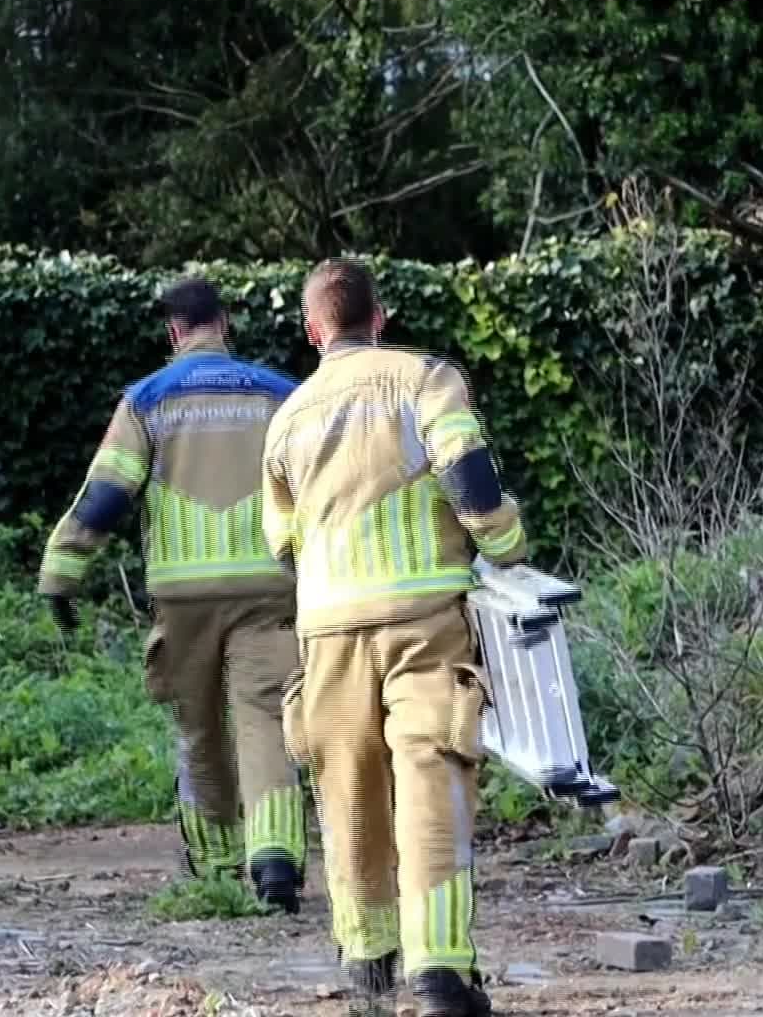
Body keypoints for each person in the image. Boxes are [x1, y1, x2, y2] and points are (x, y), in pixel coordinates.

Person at [263, 258, 526, 1017]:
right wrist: (505, 544)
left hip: (329, 630)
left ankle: (368, 965)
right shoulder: (427, 379)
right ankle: (440, 973)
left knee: (348, 793)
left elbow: (282, 543)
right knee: (431, 777)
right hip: (425, 621)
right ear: (379, 316)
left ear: (314, 330)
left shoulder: (289, 416)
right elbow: (470, 481)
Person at [37, 278, 309, 912]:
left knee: (199, 726)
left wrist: (62, 573)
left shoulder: (148, 400)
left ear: (173, 332)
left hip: (183, 596)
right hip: (268, 586)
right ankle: (275, 863)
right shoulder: (280, 394)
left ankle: (216, 866)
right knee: (266, 718)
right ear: (226, 323)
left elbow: (106, 495)